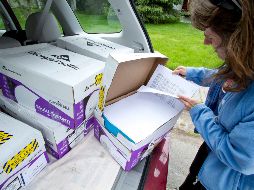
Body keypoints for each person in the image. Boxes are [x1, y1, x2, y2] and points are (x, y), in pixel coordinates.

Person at [172, 0, 254, 189]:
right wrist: (193, 73)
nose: (205, 42)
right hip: (212, 153)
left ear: (236, 38)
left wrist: (200, 113)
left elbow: (239, 157)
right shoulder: (244, 63)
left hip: (224, 183)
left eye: (210, 36)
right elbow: (222, 76)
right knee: (193, 173)